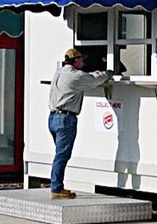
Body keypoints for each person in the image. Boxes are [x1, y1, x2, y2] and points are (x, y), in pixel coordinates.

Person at [47, 47, 111, 199]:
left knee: (59, 155)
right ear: (75, 61)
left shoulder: (60, 72)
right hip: (65, 119)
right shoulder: (75, 76)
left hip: (53, 118)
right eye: (81, 59)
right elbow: (95, 79)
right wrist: (108, 72)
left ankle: (57, 186)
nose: (83, 62)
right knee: (62, 156)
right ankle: (56, 188)